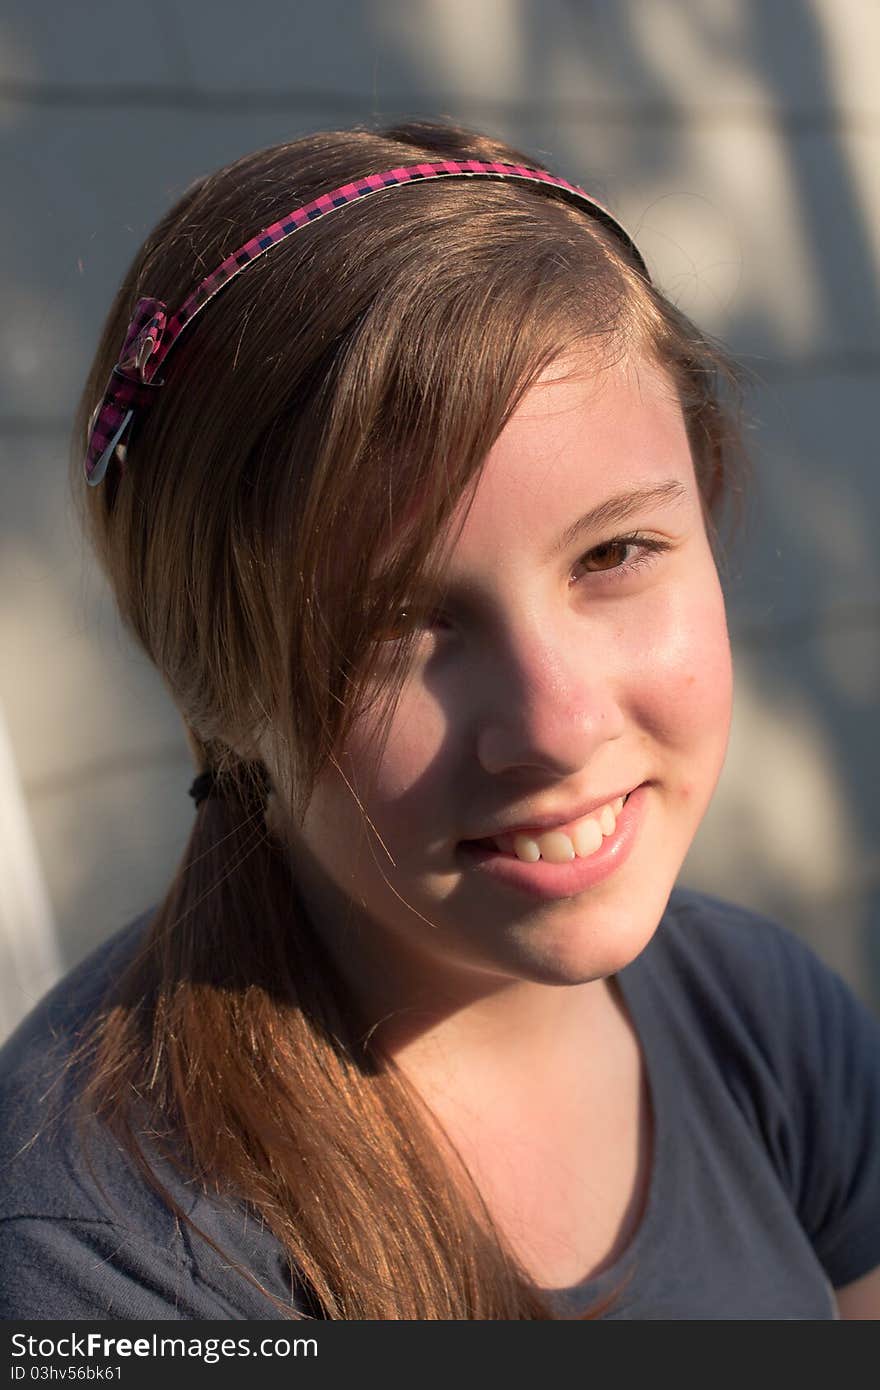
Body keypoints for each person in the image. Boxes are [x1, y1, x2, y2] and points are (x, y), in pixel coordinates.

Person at [1, 120, 878, 1322]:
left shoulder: (768, 1020)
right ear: (213, 685)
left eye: (614, 552)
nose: (556, 725)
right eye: (393, 623)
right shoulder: (101, 1257)